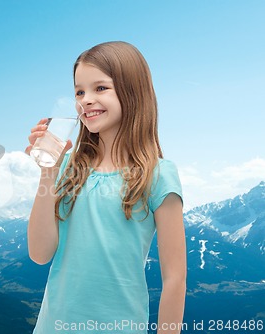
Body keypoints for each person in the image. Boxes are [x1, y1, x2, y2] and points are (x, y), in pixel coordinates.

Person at [25, 41, 186, 334]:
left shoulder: (159, 175)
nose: (86, 99)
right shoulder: (66, 168)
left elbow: (174, 278)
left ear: (132, 91)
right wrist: (47, 173)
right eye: (79, 91)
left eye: (100, 88)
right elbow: (40, 253)